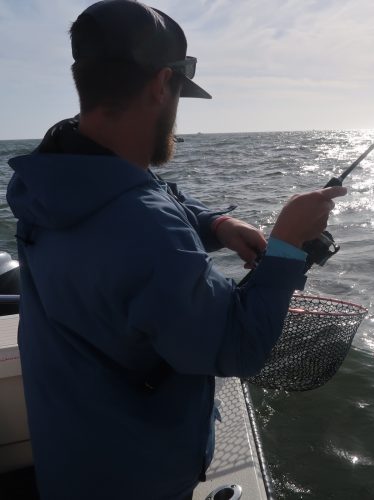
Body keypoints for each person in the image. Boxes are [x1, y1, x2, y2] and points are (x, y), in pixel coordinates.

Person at [5, 1, 346, 498]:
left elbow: (150, 194)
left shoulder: (53, 174)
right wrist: (288, 245)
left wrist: (217, 224)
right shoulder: (145, 227)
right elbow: (237, 347)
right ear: (162, 84)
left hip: (70, 452)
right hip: (137, 476)